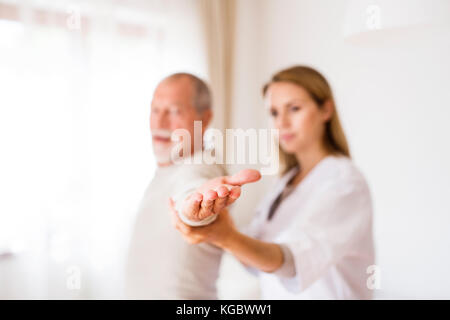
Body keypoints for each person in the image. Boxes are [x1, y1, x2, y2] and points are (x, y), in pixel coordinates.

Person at [170, 66, 375, 299]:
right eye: (274, 113)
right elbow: (256, 261)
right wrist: (213, 222)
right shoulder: (285, 183)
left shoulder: (345, 183)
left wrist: (226, 236)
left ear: (325, 110)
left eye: (294, 109)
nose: (282, 122)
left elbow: (291, 263)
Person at [125, 73, 258, 299]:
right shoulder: (167, 170)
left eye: (174, 111)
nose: (159, 122)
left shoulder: (201, 165)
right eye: (155, 110)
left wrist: (194, 209)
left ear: (204, 119)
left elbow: (192, 190)